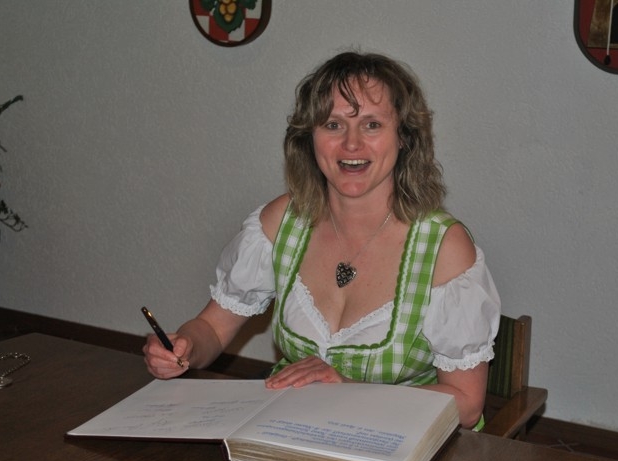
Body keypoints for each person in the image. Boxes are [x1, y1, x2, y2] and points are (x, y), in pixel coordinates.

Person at [143, 51, 501, 429]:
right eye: (333, 124)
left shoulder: (444, 248)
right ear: (309, 138)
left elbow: (466, 405)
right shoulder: (281, 222)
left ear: (404, 138)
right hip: (297, 427)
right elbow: (213, 329)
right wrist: (183, 346)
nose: (351, 144)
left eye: (372, 125)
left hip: (403, 439)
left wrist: (347, 390)